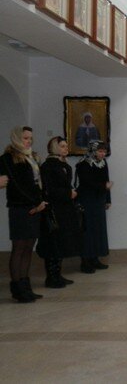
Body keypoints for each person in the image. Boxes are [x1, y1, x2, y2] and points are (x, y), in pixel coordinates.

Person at [0, 126, 46, 302]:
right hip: (20, 209)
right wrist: (35, 203)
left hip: (36, 208)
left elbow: (36, 183)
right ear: (17, 138)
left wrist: (41, 202)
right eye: (26, 138)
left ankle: (26, 286)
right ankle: (17, 289)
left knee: (28, 248)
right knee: (19, 248)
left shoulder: (32, 156)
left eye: (30, 138)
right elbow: (18, 186)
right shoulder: (7, 158)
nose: (29, 141)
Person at [37, 137, 81, 288]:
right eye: (62, 146)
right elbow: (48, 190)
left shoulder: (63, 164)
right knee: (53, 244)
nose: (66, 148)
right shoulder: (48, 166)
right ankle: (51, 277)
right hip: (54, 210)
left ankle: (58, 275)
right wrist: (68, 193)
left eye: (66, 145)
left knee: (61, 242)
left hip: (65, 210)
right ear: (55, 148)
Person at [76, 140, 112, 273]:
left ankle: (95, 259)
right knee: (88, 231)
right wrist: (103, 187)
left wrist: (108, 199)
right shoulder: (83, 164)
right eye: (100, 151)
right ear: (93, 150)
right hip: (87, 200)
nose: (103, 154)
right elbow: (86, 183)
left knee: (98, 230)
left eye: (104, 151)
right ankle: (85, 262)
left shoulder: (103, 163)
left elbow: (106, 180)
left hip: (99, 200)